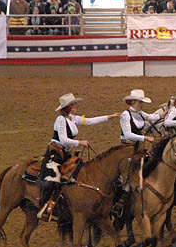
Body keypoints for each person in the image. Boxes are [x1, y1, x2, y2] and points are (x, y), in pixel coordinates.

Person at [37, 93, 120, 221]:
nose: (76, 106)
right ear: (68, 107)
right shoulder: (61, 120)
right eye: (73, 105)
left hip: (66, 153)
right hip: (56, 153)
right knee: (53, 180)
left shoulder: (73, 118)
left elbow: (91, 121)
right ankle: (45, 206)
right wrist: (79, 142)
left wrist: (110, 116)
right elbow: (63, 140)